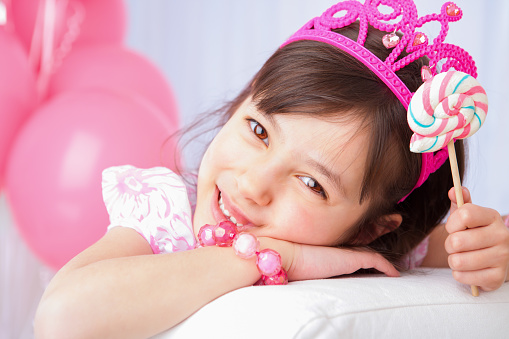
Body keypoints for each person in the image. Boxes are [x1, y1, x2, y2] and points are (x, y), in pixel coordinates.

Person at [34, 1, 509, 338]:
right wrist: (274, 255)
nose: (253, 185)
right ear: (241, 103)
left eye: (311, 183)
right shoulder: (167, 218)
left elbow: (476, 247)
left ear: (369, 230)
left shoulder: (379, 254)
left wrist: (489, 249)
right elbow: (60, 318)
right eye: (259, 131)